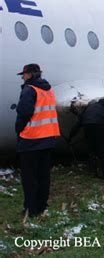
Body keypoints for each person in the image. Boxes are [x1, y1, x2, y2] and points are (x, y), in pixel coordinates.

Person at [15, 64, 60, 217]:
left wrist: (19, 130)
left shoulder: (29, 90)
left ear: (31, 74)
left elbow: (23, 113)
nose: (23, 77)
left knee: (29, 178)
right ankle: (41, 206)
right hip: (48, 138)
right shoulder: (48, 90)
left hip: (31, 139)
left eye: (24, 74)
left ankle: (30, 209)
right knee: (43, 175)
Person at [70, 98, 104, 178]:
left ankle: (92, 171)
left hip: (88, 125)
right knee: (102, 150)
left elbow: (77, 124)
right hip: (100, 125)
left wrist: (70, 136)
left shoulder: (89, 108)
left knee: (91, 150)